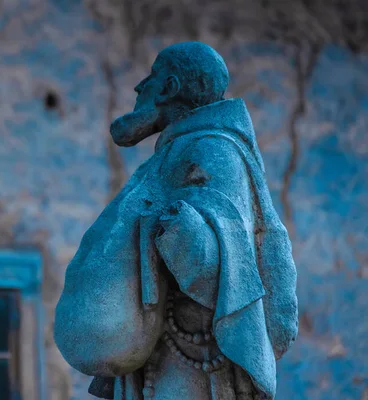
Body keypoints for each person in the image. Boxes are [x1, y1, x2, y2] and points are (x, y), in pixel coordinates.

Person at [54, 42, 298, 399]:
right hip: (162, 360)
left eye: (151, 78)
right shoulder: (175, 152)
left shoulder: (213, 150)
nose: (139, 88)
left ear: (169, 89)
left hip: (196, 364)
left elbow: (225, 261)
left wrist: (176, 227)